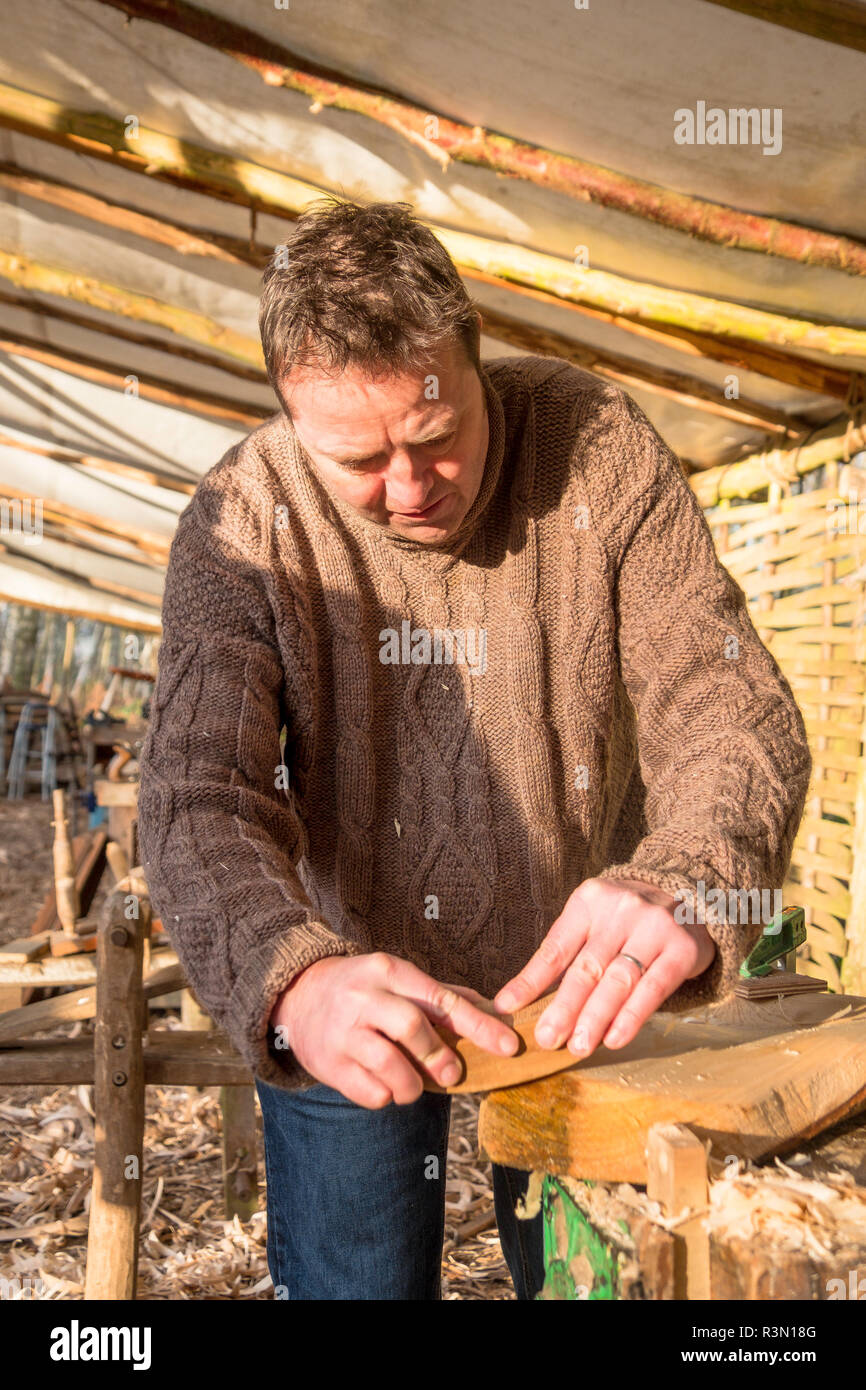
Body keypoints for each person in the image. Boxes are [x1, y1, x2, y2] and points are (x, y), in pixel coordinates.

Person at [137, 199, 812, 1300]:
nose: (407, 492)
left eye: (435, 436)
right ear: (287, 419)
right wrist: (289, 975)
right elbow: (191, 793)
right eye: (356, 460)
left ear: (476, 362)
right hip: (348, 987)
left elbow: (723, 696)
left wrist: (688, 878)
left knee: (588, 1282)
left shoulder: (596, 443)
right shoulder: (242, 516)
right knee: (355, 1288)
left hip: (579, 986)